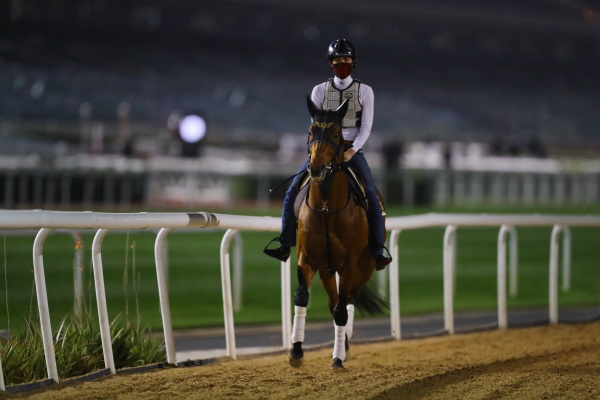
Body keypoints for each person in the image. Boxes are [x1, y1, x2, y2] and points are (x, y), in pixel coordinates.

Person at [264, 38, 392, 270]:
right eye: (337, 61)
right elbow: (314, 127)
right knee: (293, 190)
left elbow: (366, 127)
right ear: (330, 64)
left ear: (353, 63)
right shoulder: (319, 90)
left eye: (346, 61)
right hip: (324, 149)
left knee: (372, 194)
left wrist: (352, 151)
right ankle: (284, 243)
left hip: (352, 149)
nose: (342, 65)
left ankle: (377, 249)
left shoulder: (365, 91)